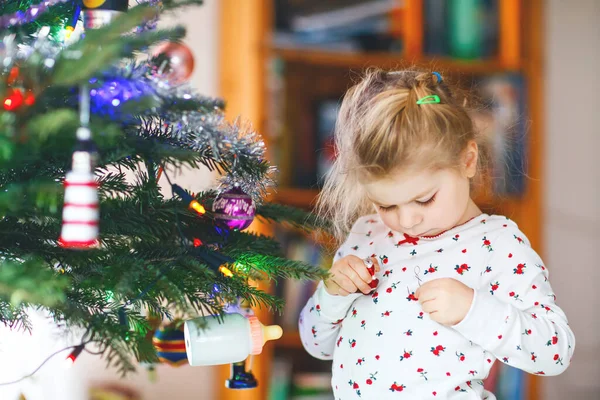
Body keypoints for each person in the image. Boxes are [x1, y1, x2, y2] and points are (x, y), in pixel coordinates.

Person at [298, 69, 575, 399]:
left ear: (467, 161)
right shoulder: (368, 232)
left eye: (424, 199)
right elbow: (316, 345)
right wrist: (331, 295)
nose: (407, 220)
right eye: (386, 205)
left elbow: (555, 351)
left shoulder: (496, 244)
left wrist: (473, 311)